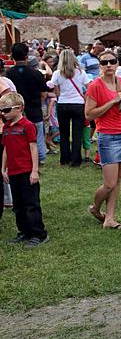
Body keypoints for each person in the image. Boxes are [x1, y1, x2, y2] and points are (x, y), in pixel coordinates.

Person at [85, 49, 121, 231]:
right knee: (109, 183)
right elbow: (88, 114)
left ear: (117, 63)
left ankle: (110, 218)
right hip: (109, 137)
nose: (109, 65)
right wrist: (111, 102)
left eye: (112, 61)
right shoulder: (95, 86)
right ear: (100, 66)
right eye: (104, 63)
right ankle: (95, 207)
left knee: (118, 180)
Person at [1, 92, 48, 247]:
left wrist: (34, 170)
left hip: (26, 171)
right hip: (13, 172)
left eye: (6, 110)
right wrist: (3, 168)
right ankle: (24, 231)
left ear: (19, 108)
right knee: (18, 205)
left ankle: (39, 234)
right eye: (1, 110)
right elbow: (6, 149)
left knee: (31, 204)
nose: (3, 113)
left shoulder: (27, 126)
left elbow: (33, 148)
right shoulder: (7, 128)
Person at [6, 43, 49, 166]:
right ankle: (40, 157)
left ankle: (21, 158)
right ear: (26, 56)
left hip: (15, 111)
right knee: (37, 136)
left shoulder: (9, 74)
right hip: (34, 109)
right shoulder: (36, 74)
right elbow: (44, 94)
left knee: (17, 138)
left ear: (12, 56)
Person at [49, 49, 90, 167]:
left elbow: (56, 91)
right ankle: (76, 159)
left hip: (63, 103)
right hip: (78, 103)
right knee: (77, 133)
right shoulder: (80, 72)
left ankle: (65, 158)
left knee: (64, 133)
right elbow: (88, 86)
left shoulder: (57, 73)